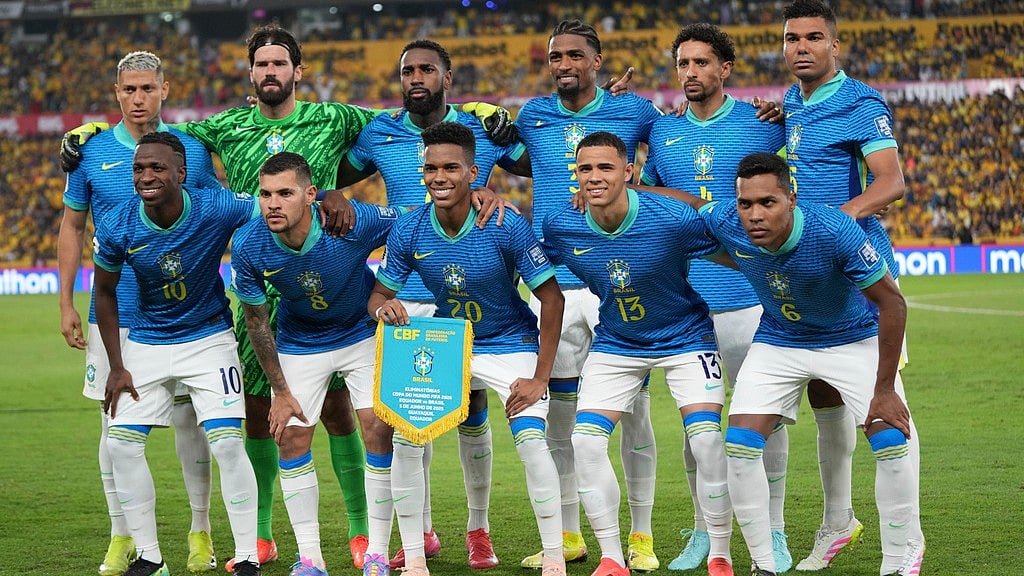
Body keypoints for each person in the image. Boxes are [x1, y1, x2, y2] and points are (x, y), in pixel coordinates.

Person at [59, 27, 515, 569]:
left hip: (335, 276)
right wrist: (93, 131)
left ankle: (363, 533)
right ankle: (261, 535)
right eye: (261, 64)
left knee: (354, 414)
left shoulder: (335, 118)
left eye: (279, 63)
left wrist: (474, 115)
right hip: (261, 278)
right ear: (251, 73)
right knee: (261, 414)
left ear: (297, 71)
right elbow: (156, 133)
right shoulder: (223, 126)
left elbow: (413, 116)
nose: (270, 71)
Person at [324, 38, 531, 571]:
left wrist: (497, 181)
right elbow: (328, 175)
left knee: (472, 415)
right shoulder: (379, 132)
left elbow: (538, 164)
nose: (416, 78)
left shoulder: (478, 128)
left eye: (427, 69)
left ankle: (478, 530)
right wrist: (329, 192)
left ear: (447, 77)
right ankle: (420, 533)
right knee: (406, 420)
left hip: (469, 297)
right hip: (403, 298)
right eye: (408, 70)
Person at [697, 152, 922, 576]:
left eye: (768, 202)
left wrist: (885, 389)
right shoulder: (727, 220)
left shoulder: (834, 230)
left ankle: (901, 557)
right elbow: (691, 204)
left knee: (891, 438)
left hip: (850, 338)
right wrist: (632, 190)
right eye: (746, 204)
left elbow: (892, 303)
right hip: (780, 339)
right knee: (740, 444)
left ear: (791, 199)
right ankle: (763, 565)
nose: (755, 215)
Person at [368, 121, 566, 576]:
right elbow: (377, 295)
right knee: (405, 437)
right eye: (431, 168)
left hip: (509, 341)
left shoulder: (504, 223)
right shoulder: (409, 228)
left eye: (451, 168)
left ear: (473, 173)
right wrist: (383, 307)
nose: (439, 177)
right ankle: (415, 558)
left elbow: (551, 297)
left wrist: (540, 377)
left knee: (531, 441)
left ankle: (551, 555)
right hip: (449, 340)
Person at [57, 51, 223, 576]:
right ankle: (121, 536)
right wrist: (65, 301)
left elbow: (219, 213)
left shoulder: (190, 150)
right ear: (116, 92)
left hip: (184, 310)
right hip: (115, 310)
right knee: (113, 426)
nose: (138, 98)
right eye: (129, 89)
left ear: (164, 90)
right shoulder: (90, 152)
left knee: (191, 421)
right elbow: (72, 227)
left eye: (147, 88)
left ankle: (200, 531)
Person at [635, 24, 791, 572]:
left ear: (725, 69)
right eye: (683, 63)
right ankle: (704, 530)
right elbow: (648, 200)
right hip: (686, 304)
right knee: (696, 428)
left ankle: (774, 530)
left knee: (765, 420)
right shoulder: (663, 132)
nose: (691, 72)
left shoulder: (763, 125)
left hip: (750, 298)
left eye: (701, 62)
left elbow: (799, 183)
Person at [542, 132, 733, 576]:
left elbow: (738, 255)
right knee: (585, 442)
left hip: (686, 337)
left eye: (605, 168)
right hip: (618, 342)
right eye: (585, 168)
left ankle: (720, 554)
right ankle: (612, 557)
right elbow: (524, 261)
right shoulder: (561, 224)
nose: (594, 177)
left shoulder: (672, 219)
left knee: (706, 440)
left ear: (629, 172)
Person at [513, 20, 663, 571]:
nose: (564, 65)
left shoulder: (634, 110)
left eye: (576, 55)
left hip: (615, 279)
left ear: (597, 62)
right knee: (559, 418)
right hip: (551, 283)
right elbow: (491, 154)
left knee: (635, 412)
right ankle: (571, 535)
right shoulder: (532, 116)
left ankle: (641, 536)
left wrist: (636, 191)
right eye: (557, 56)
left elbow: (675, 146)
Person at [778, 2, 918, 571]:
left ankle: (906, 544)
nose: (802, 46)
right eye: (792, 38)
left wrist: (838, 220)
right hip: (807, 270)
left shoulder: (861, 102)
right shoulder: (792, 102)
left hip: (857, 266)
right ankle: (839, 522)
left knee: (884, 405)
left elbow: (891, 181)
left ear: (835, 45)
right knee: (823, 392)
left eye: (814, 37)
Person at [92, 132, 261, 576]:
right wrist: (117, 366)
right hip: (147, 340)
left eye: (157, 168)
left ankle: (247, 556)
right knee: (120, 443)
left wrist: (330, 199)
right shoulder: (116, 223)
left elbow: (272, 206)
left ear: (182, 173)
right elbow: (104, 292)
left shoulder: (216, 206)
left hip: (209, 338)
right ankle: (150, 556)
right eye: (139, 169)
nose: (146, 176)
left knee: (227, 442)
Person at [230, 152, 405, 576]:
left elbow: (411, 221)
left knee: (378, 429)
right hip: (300, 342)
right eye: (266, 194)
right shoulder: (249, 244)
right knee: (290, 438)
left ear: (310, 195)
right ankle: (310, 558)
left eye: (285, 194)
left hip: (361, 333)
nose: (273, 204)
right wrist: (280, 392)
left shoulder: (351, 221)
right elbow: (256, 322)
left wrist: (393, 286)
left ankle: (377, 553)